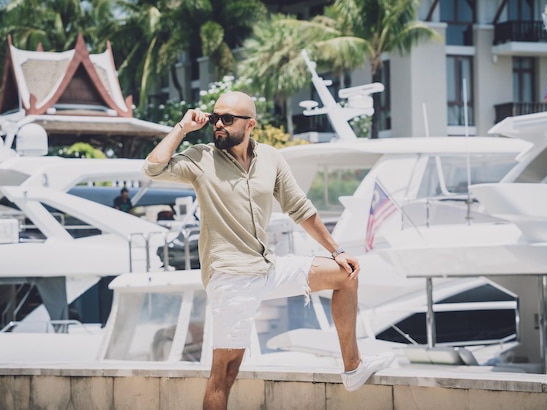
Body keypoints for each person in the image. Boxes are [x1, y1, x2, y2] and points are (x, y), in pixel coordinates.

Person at [143, 91, 394, 409]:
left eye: (228, 119)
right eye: (216, 117)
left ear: (250, 125)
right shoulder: (201, 157)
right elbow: (152, 169)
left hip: (266, 266)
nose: (218, 124)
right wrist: (182, 127)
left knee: (345, 274)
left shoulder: (271, 158)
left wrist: (337, 250)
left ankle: (353, 368)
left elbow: (300, 208)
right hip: (230, 275)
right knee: (224, 374)